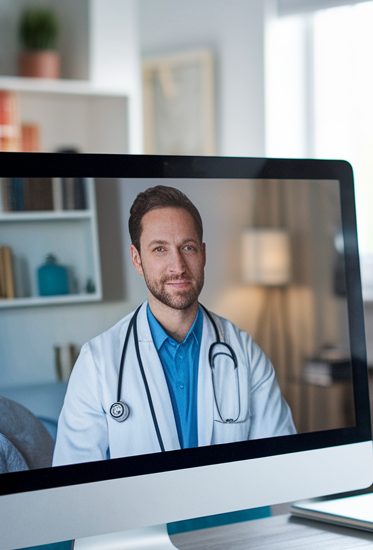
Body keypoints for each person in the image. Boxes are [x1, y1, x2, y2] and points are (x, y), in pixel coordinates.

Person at [54, 186, 294, 463]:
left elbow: (280, 461)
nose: (177, 266)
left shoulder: (245, 352)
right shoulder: (97, 361)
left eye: (188, 248)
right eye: (159, 249)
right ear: (137, 259)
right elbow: (74, 482)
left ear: (203, 255)